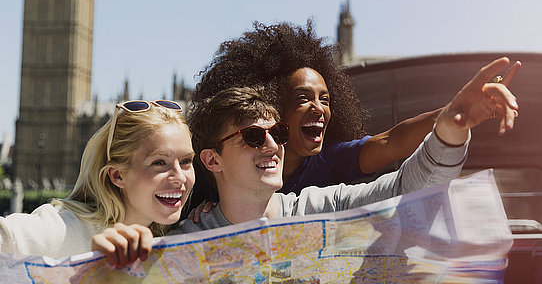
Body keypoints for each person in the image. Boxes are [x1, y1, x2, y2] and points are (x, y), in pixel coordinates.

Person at [94, 57, 520, 264]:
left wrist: (450, 128)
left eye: (278, 134)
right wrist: (113, 262)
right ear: (212, 160)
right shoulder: (180, 245)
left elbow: (409, 190)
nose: (272, 146)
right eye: (253, 136)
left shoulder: (321, 207)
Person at [189, 21, 520, 205]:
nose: (318, 108)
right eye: (303, 98)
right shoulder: (217, 174)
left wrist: (455, 111)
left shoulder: (327, 172)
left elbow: (391, 141)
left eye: (326, 99)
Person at [0, 100, 195, 260]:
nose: (179, 177)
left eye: (186, 161)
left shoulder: (173, 238)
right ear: (117, 175)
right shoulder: (65, 229)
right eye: (159, 162)